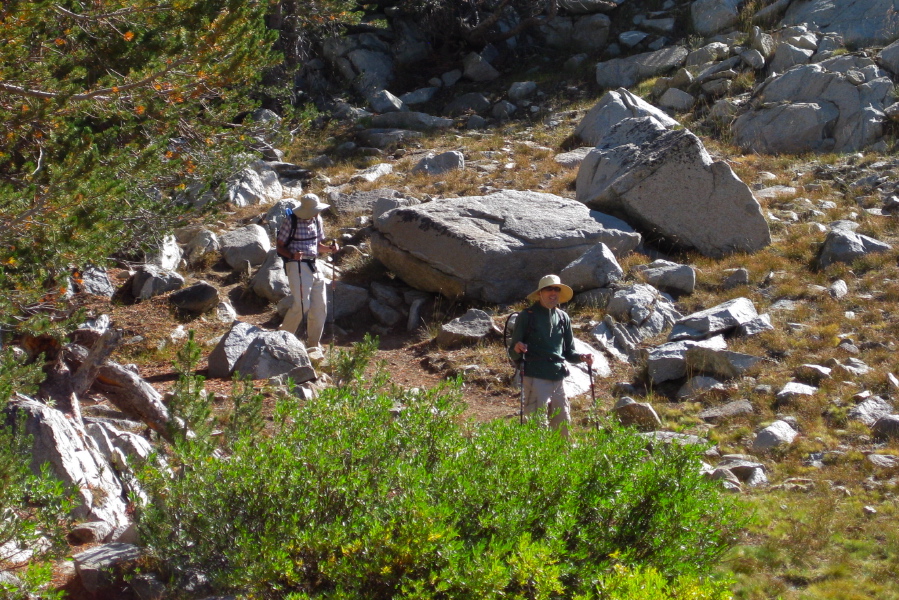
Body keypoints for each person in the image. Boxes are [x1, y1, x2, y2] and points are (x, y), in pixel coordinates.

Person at [507, 274, 593, 438]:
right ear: (540, 293)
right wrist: (517, 348)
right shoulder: (527, 316)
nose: (553, 293)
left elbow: (569, 353)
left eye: (556, 289)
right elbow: (512, 351)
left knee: (563, 425)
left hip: (558, 378)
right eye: (548, 289)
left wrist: (582, 357)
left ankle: (562, 461)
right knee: (536, 425)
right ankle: (534, 461)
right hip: (535, 376)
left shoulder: (563, 317)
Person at [276, 193, 338, 350]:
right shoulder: (291, 221)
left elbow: (317, 246)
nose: (317, 213)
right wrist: (292, 255)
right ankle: (282, 337)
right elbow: (279, 247)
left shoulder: (317, 220)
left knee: (320, 306)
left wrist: (330, 249)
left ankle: (313, 344)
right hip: (296, 265)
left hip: (314, 264)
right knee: (302, 304)